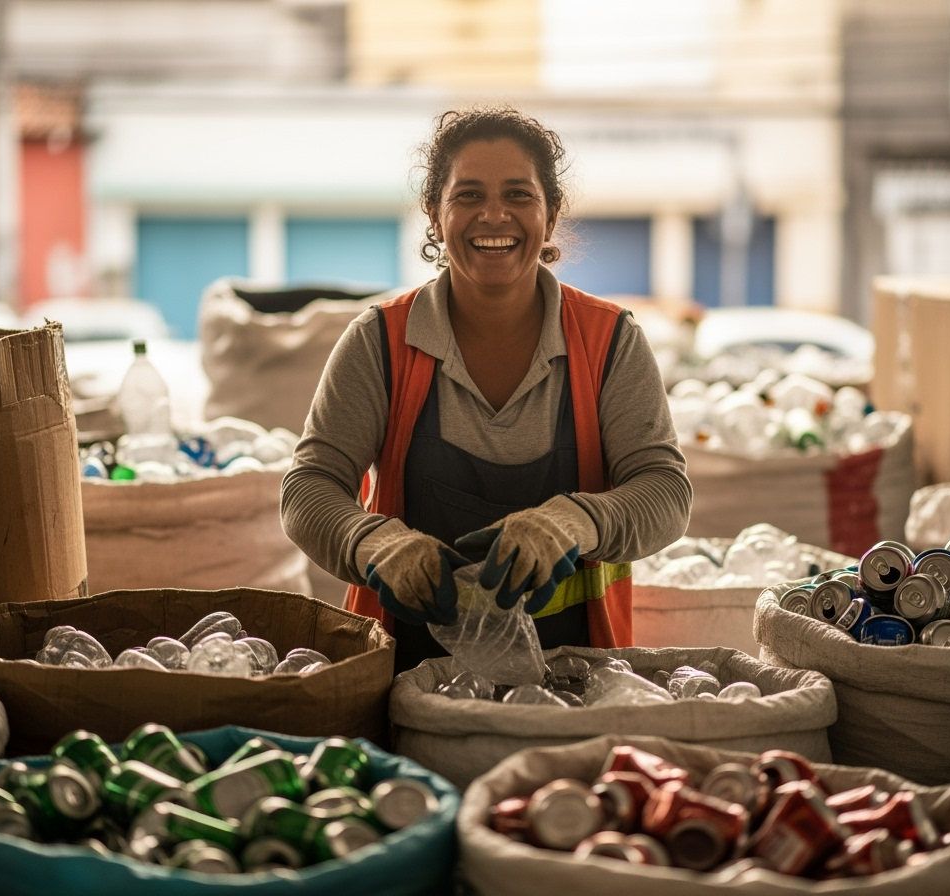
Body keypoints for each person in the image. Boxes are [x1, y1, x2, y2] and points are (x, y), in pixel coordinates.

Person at [281, 106, 691, 673]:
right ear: (434, 215)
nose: (494, 215)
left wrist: (573, 522)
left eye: (518, 195)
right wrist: (373, 542)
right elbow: (308, 488)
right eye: (468, 195)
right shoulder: (379, 342)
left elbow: (666, 491)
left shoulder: (610, 341)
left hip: (578, 680)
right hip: (405, 679)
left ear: (550, 216)